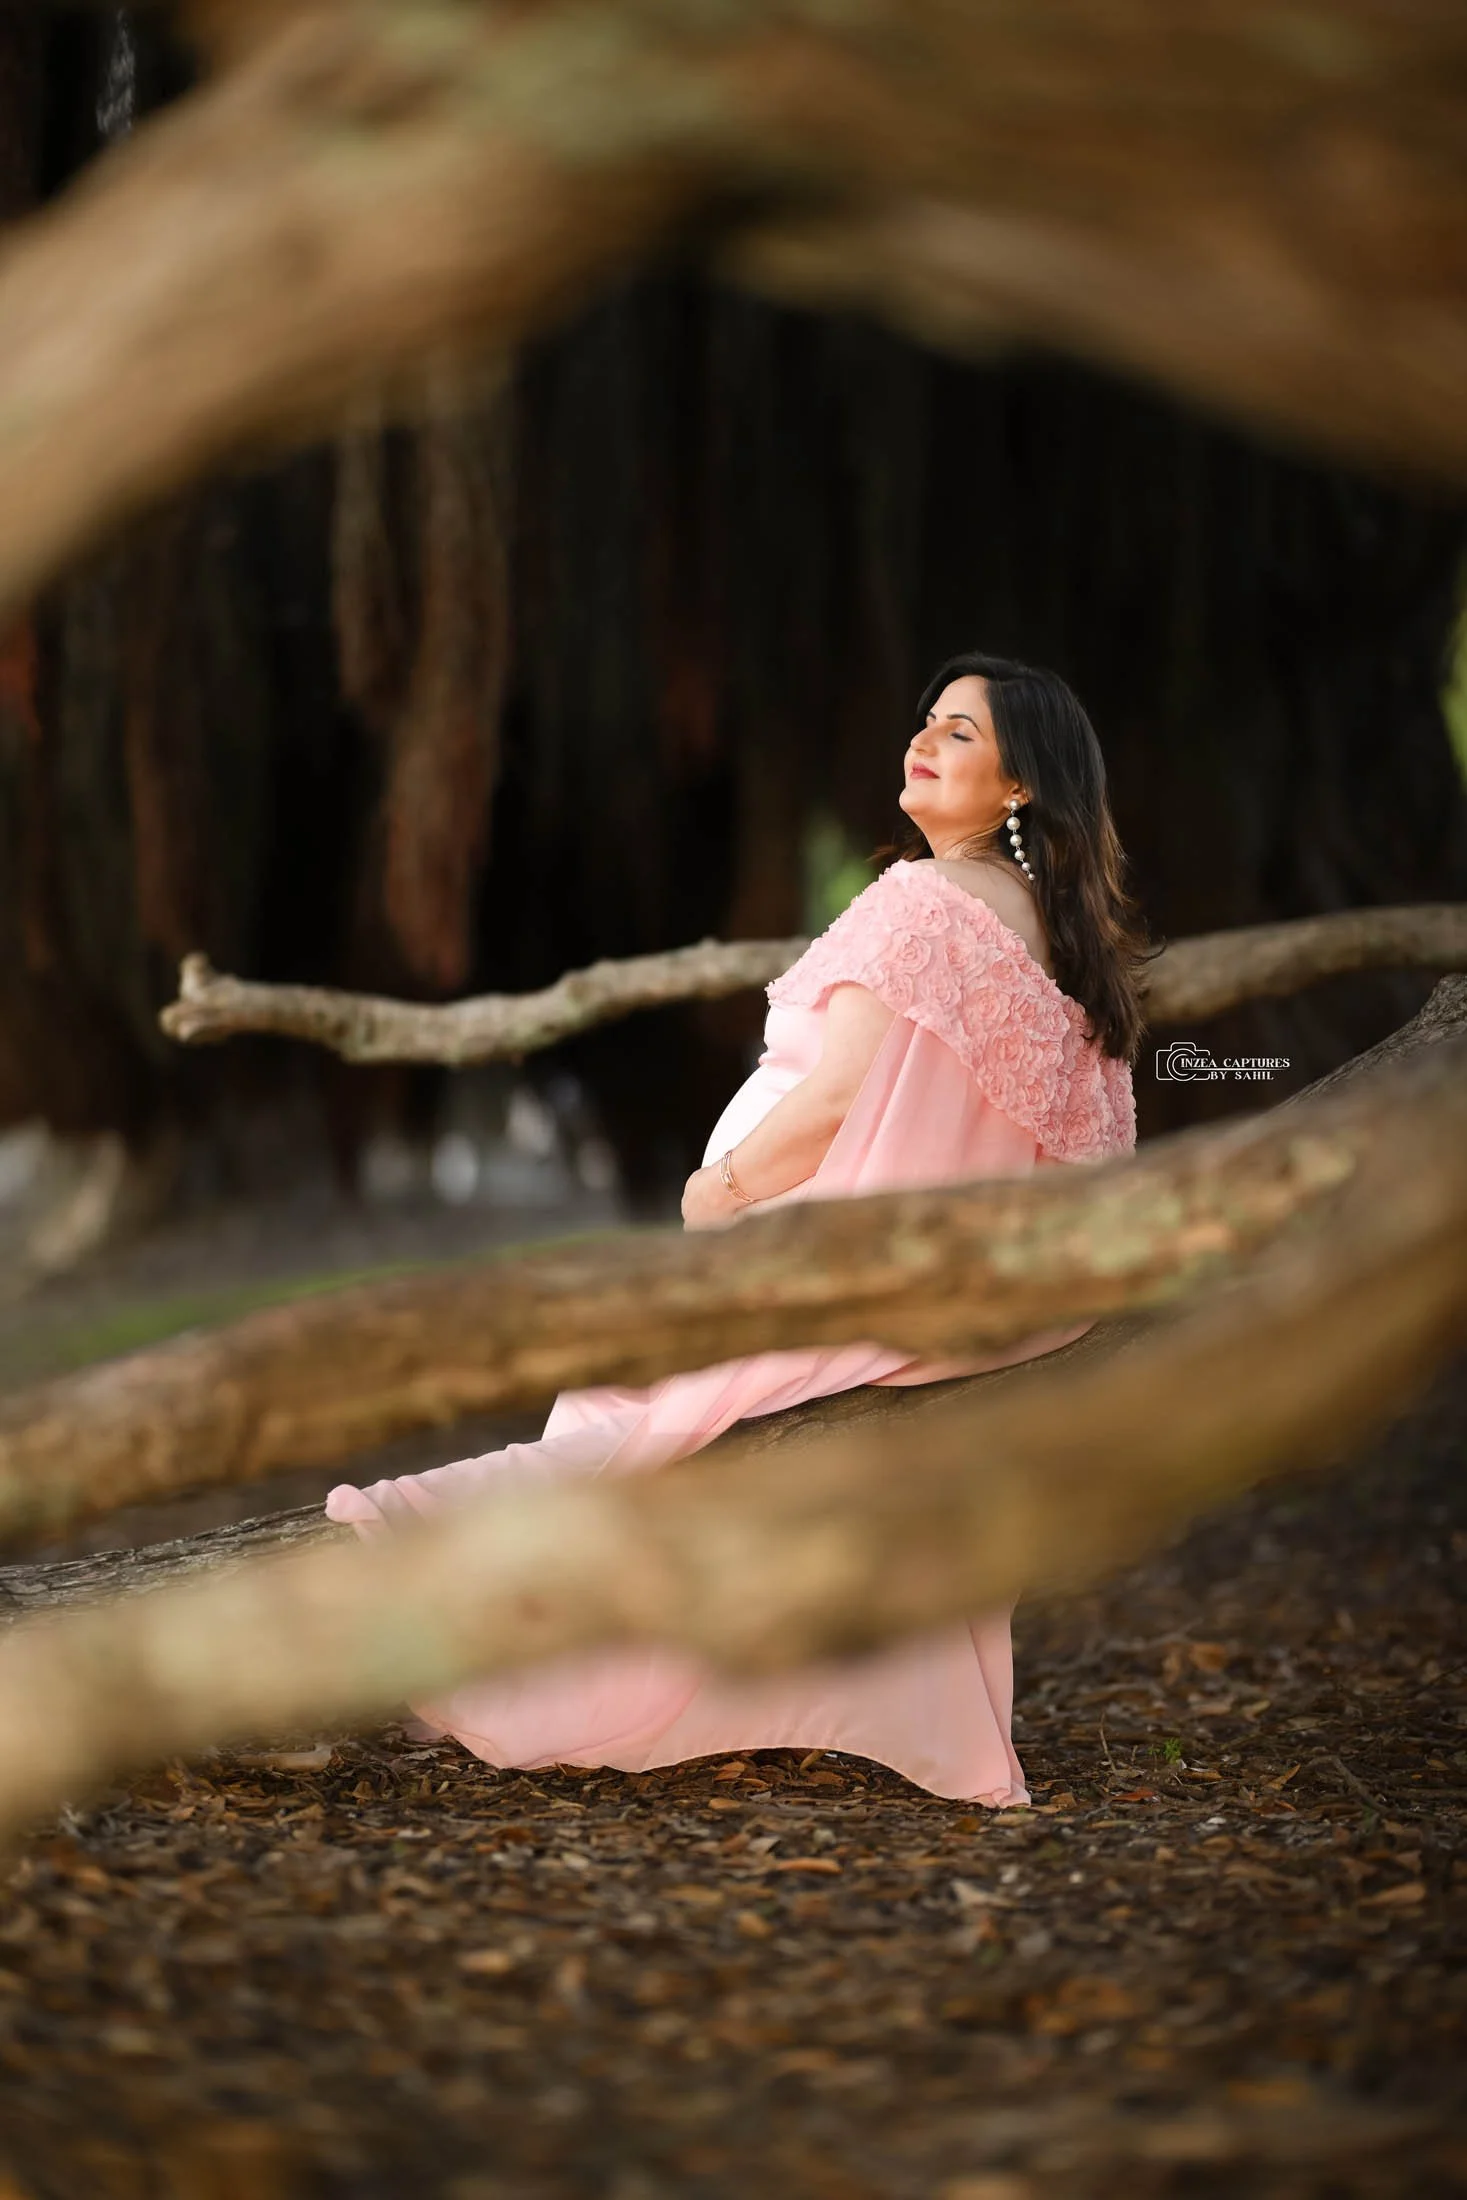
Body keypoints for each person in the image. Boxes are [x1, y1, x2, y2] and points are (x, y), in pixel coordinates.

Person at [325, 651, 1151, 1806]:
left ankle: (416, 1559)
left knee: (624, 1412)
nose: (924, 740)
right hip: (969, 1311)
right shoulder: (1067, 952)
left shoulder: (925, 900)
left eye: (960, 732)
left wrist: (720, 1192)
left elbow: (835, 1098)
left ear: (1021, 785)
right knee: (651, 1414)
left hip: (843, 1281)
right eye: (926, 720)